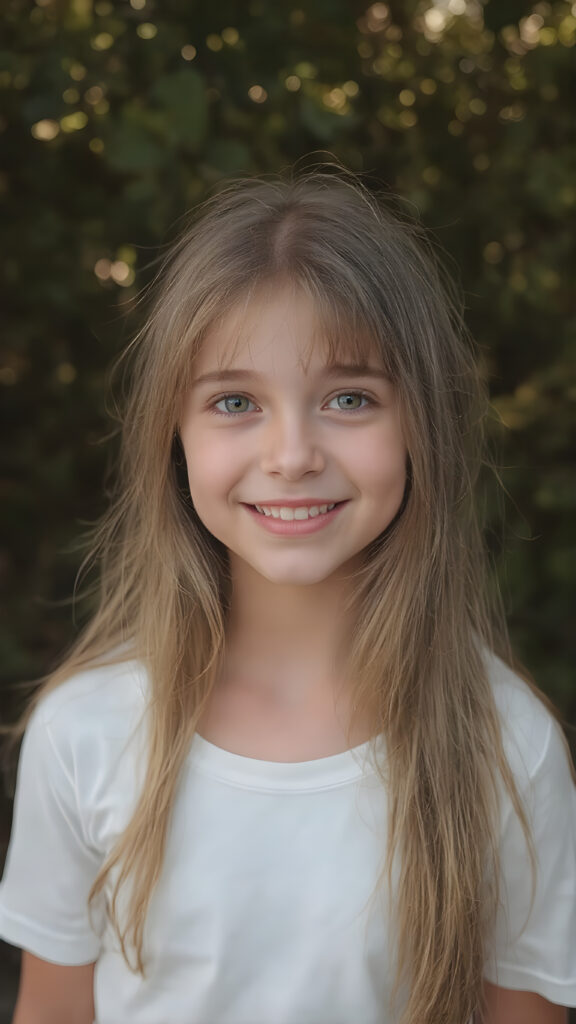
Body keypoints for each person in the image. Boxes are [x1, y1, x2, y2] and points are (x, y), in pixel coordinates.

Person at [0, 165, 575, 1024]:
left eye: (349, 397)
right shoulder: (84, 736)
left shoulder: (507, 749)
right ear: (175, 437)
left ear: (421, 423)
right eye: (236, 401)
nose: (293, 452)